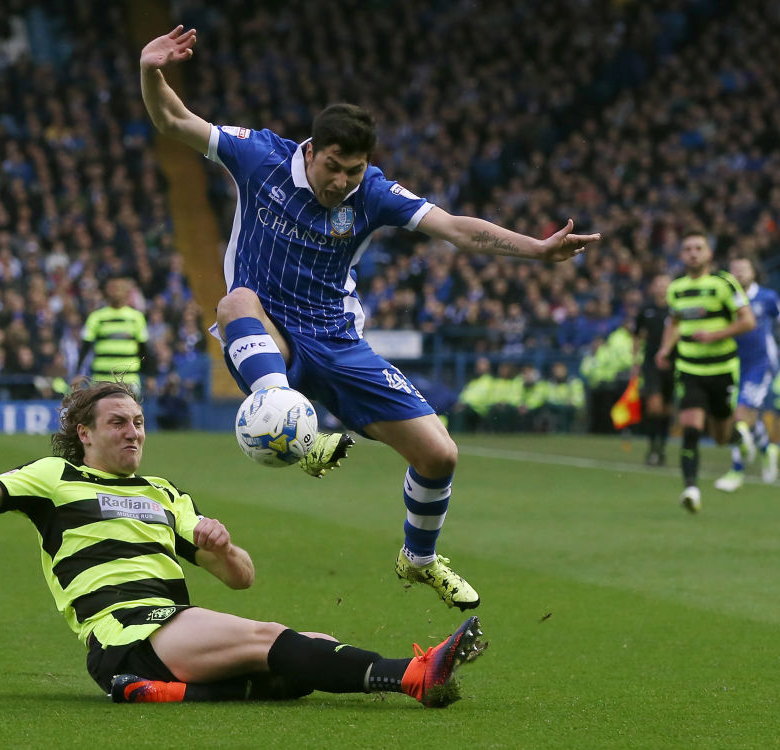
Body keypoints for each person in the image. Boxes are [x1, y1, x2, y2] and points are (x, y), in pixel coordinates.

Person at [139, 27, 600, 611]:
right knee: (233, 302)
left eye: (353, 171)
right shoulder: (260, 157)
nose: (341, 182)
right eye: (334, 167)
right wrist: (150, 70)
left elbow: (455, 228)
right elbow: (173, 120)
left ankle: (420, 558)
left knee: (440, 455)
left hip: (336, 340)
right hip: (267, 332)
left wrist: (536, 248)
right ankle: (296, 430)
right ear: (311, 151)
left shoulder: (373, 193)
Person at [0, 381, 487, 707]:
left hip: (172, 632)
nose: (133, 432)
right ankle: (412, 674)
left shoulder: (165, 493)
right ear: (84, 433)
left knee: (299, 660)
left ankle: (159, 693)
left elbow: (241, 578)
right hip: (129, 631)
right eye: (118, 423)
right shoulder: (53, 479)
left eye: (137, 422)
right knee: (270, 639)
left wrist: (221, 546)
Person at [655, 233, 755, 512]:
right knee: (691, 428)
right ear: (681, 255)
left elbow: (748, 321)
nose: (693, 253)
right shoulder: (676, 288)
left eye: (699, 248)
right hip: (689, 368)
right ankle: (691, 490)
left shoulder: (724, 283)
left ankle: (738, 437)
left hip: (722, 369)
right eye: (687, 249)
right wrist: (665, 349)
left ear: (709, 254)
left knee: (720, 436)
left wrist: (715, 335)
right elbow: (674, 323)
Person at [713, 257, 780, 491]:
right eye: (734, 269)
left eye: (744, 269)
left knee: (739, 418)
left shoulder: (767, 297)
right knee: (748, 418)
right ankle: (768, 449)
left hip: (760, 365)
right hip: (731, 364)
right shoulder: (724, 298)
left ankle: (736, 471)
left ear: (754, 272)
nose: (739, 273)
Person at [77, 275, 149, 396]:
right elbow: (85, 347)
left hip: (129, 381)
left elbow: (144, 349)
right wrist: (78, 374)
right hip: (101, 380)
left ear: (127, 291)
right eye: (112, 288)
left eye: (119, 288)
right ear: (106, 291)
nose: (116, 292)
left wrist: (150, 375)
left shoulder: (137, 318)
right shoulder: (96, 317)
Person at [632, 274, 675, 466]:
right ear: (653, 287)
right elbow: (637, 335)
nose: (662, 288)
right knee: (654, 406)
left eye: (665, 285)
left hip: (674, 362)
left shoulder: (676, 308)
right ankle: (652, 448)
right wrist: (635, 361)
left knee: (667, 409)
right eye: (659, 284)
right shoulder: (646, 309)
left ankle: (661, 447)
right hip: (651, 363)